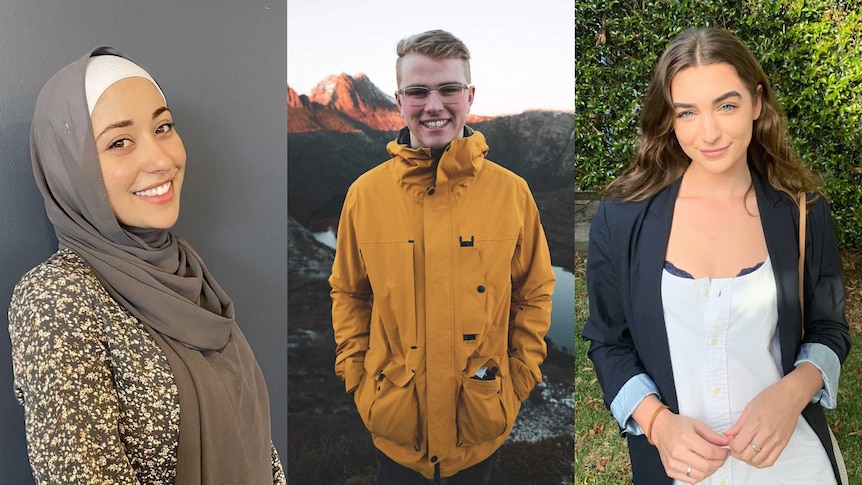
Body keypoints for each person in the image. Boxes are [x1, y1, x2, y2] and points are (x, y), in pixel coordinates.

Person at [582, 28, 850, 484]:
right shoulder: (621, 220)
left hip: (793, 466)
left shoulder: (803, 212)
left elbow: (829, 328)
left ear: (756, 103)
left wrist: (791, 393)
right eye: (688, 112)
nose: (709, 133)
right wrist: (657, 424)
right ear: (669, 118)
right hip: (678, 471)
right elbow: (609, 342)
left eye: (726, 105)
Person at [8, 46, 284, 484]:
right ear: (68, 167)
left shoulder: (187, 274)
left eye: (163, 127)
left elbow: (256, 442)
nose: (160, 160)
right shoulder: (56, 298)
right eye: (120, 142)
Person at [329, 29, 555, 483]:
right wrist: (359, 382)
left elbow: (534, 292)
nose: (434, 106)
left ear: (469, 96)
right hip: (395, 430)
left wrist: (517, 381)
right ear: (399, 101)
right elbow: (349, 294)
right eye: (418, 92)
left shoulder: (512, 194)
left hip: (478, 428)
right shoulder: (364, 196)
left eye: (448, 89)